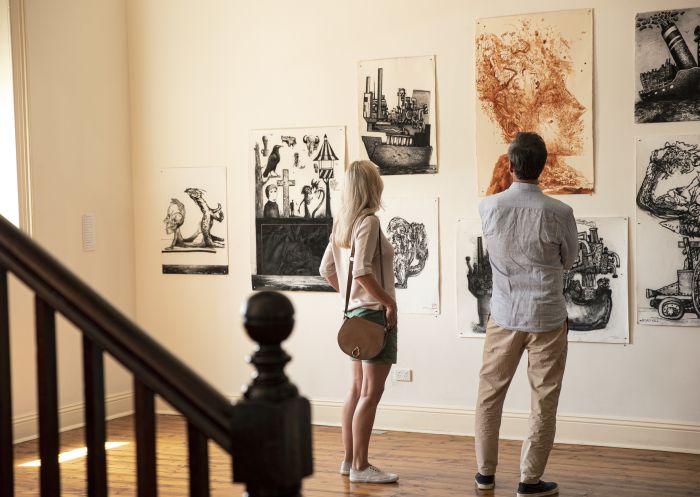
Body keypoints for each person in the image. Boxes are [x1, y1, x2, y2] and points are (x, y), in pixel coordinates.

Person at [474, 132, 579, 497]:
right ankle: (528, 481)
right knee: (543, 401)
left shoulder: (488, 207)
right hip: (547, 317)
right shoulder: (560, 212)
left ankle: (485, 474)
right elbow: (570, 260)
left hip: (503, 314)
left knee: (490, 396)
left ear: (511, 162)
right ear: (543, 164)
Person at [319, 160, 399, 484]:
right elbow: (362, 271)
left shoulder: (344, 222)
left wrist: (349, 298)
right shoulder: (368, 222)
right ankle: (361, 467)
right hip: (372, 318)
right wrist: (386, 301)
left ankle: (349, 460)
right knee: (371, 392)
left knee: (355, 389)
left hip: (354, 316)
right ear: (371, 186)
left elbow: (327, 270)